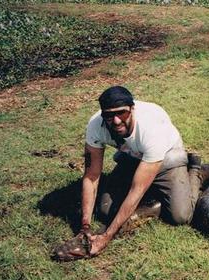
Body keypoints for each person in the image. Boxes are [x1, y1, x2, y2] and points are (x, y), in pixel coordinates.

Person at [68, 86, 202, 258]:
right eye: (109, 115)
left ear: (132, 109)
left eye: (122, 113)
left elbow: (136, 190)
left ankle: (196, 169)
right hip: (132, 155)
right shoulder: (95, 125)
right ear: (103, 115)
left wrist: (106, 237)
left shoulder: (151, 129)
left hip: (168, 158)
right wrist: (84, 226)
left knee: (181, 215)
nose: (116, 121)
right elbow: (91, 176)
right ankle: (155, 203)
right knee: (105, 210)